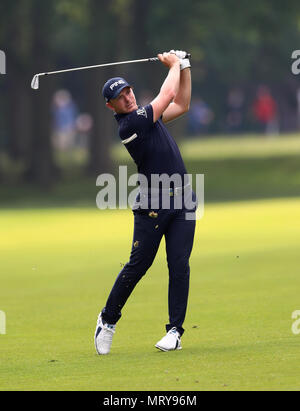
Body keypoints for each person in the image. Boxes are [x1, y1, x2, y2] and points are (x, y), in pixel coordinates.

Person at [95, 50, 197, 355]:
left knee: (179, 265)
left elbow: (182, 103)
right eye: (120, 96)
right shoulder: (130, 124)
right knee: (139, 265)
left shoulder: (147, 116)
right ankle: (108, 319)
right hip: (153, 204)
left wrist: (186, 67)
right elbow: (167, 94)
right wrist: (175, 64)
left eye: (128, 91)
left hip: (183, 200)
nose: (127, 98)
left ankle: (175, 331)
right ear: (110, 105)